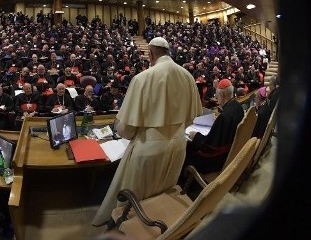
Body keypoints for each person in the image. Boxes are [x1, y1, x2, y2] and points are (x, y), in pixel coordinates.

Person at [92, 36, 202, 226]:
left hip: (148, 149)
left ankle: (129, 230)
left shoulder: (142, 78)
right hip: (178, 146)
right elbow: (191, 118)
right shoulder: (188, 76)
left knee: (132, 203)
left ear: (150, 54)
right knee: (163, 194)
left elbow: (125, 129)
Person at [182, 78, 244, 174]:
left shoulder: (224, 116)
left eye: (217, 95)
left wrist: (195, 136)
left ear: (222, 95)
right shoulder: (237, 106)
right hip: (229, 153)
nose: (216, 98)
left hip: (215, 161)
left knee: (187, 150)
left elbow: (208, 146)